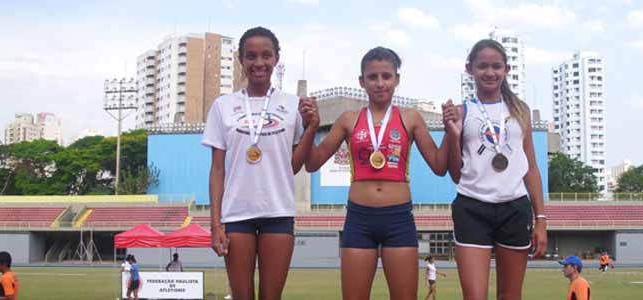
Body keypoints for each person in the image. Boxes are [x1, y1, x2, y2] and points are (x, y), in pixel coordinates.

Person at [305, 46, 451, 300]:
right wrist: (310, 129)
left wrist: (450, 130)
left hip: (398, 219)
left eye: (386, 76)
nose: (380, 83)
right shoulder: (348, 119)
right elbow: (313, 163)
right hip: (359, 219)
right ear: (362, 81)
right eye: (373, 77)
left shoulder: (411, 117)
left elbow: (439, 166)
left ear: (397, 79)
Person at [202, 26, 319, 300]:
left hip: (278, 212)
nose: (259, 63)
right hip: (236, 215)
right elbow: (217, 170)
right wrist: (216, 224)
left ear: (276, 59)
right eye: (251, 56)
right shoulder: (223, 106)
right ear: (241, 60)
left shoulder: (292, 105)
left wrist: (311, 127)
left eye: (266, 56)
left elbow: (293, 166)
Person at [441, 38, 547, 300]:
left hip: (514, 207)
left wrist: (541, 219)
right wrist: (453, 135)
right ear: (470, 69)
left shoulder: (520, 110)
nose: (490, 72)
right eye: (483, 66)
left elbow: (531, 168)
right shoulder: (461, 112)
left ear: (506, 70)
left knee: (510, 296)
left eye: (497, 66)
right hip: (472, 206)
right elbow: (455, 173)